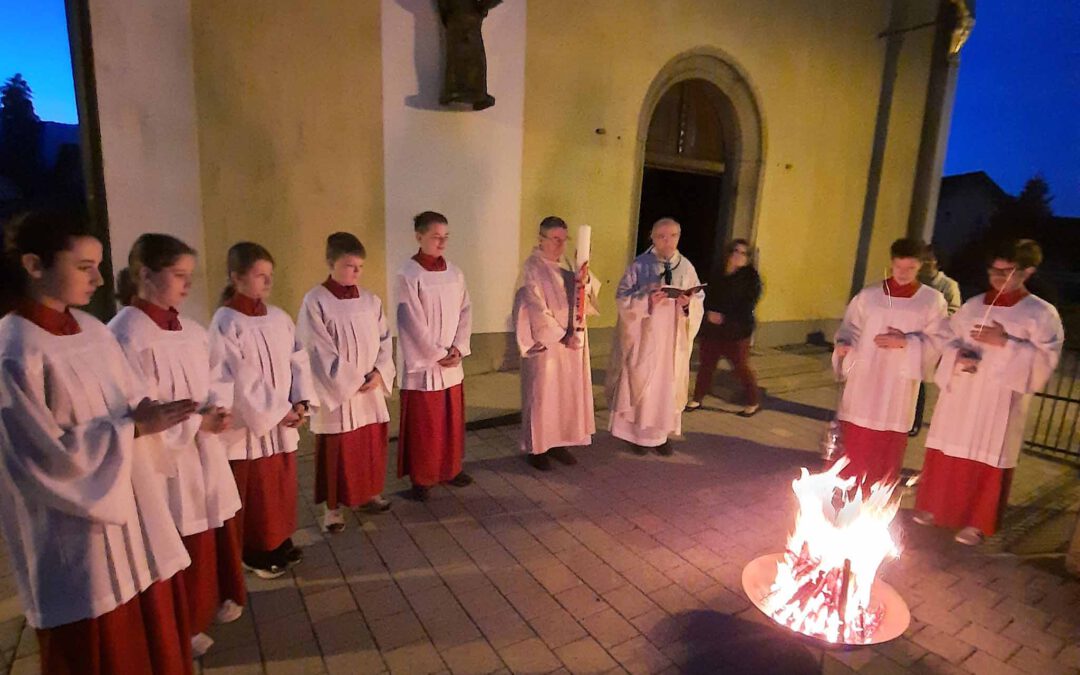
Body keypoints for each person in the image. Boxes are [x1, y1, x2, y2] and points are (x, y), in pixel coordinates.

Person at [0, 211, 197, 674]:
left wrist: (155, 415)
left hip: (132, 503)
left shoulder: (91, 330)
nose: (101, 278)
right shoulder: (15, 351)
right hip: (75, 525)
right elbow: (43, 459)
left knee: (146, 610)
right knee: (100, 633)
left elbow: (130, 397)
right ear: (34, 265)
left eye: (99, 264)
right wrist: (131, 428)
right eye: (85, 266)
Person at [110, 234, 246, 657]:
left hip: (201, 451)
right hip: (164, 463)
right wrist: (194, 423)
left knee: (206, 533)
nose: (188, 286)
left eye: (190, 276)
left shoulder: (191, 330)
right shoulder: (126, 334)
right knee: (177, 539)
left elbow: (216, 376)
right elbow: (137, 403)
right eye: (179, 276)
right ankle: (179, 628)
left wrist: (218, 409)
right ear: (145, 275)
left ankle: (204, 608)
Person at [914, 240, 1064, 545]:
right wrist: (958, 356)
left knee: (988, 455)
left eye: (1007, 271)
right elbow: (949, 339)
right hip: (963, 394)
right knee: (949, 449)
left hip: (999, 400)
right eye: (993, 270)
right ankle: (936, 508)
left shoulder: (1040, 313)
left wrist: (1005, 342)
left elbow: (1046, 359)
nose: (997, 277)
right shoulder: (973, 305)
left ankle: (977, 522)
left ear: (1027, 271)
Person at [209, 242, 315, 579]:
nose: (267, 283)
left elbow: (298, 359)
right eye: (259, 276)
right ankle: (254, 551)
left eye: (270, 276)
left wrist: (300, 401)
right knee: (256, 493)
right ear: (236, 277)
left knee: (280, 486)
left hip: (281, 422)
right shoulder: (226, 322)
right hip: (249, 428)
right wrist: (277, 410)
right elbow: (238, 376)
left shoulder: (279, 317)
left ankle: (279, 540)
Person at [298, 233, 395, 533]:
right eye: (350, 266)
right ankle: (333, 510)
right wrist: (353, 380)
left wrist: (379, 372)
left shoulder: (370, 300)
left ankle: (368, 494)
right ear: (331, 263)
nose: (356, 272)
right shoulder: (316, 301)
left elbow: (384, 340)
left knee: (367, 445)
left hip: (369, 389)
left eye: (360, 267)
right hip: (339, 393)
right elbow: (316, 348)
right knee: (337, 451)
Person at [832, 237, 948, 486]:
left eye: (910, 268)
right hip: (864, 379)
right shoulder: (869, 296)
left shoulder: (931, 301)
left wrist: (906, 343)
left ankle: (877, 496)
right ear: (891, 263)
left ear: (921, 266)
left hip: (898, 386)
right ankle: (847, 491)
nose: (903, 274)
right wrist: (844, 344)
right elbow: (850, 326)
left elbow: (938, 340)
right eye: (898, 267)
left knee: (886, 447)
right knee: (856, 440)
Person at [607, 217, 704, 456]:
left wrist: (686, 305)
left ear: (679, 237)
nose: (667, 241)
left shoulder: (686, 267)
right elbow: (622, 298)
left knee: (665, 386)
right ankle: (637, 436)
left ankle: (660, 436)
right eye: (661, 236)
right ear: (652, 237)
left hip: (672, 340)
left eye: (672, 236)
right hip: (645, 337)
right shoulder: (640, 265)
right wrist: (646, 298)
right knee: (643, 384)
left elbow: (698, 301)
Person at [396, 211, 474, 501]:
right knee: (426, 426)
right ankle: (423, 478)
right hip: (426, 365)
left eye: (445, 238)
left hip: (451, 362)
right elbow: (410, 320)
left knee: (450, 422)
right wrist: (436, 353)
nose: (442, 243)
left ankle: (450, 469)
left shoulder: (455, 273)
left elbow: (466, 309)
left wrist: (458, 347)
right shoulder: (409, 274)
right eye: (435, 237)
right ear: (419, 237)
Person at [513, 216, 599, 471]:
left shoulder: (569, 263)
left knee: (565, 396)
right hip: (547, 344)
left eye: (564, 239)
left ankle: (560, 442)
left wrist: (586, 273)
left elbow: (587, 293)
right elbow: (534, 307)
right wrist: (561, 336)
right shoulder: (532, 268)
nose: (560, 245)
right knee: (542, 396)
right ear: (541, 239)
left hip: (571, 342)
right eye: (555, 239)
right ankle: (537, 448)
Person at [688, 238, 763, 416]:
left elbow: (747, 303)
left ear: (748, 258)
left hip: (736, 331)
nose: (738, 256)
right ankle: (697, 398)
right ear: (729, 253)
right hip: (712, 329)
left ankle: (753, 401)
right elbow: (705, 295)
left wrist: (725, 317)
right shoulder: (718, 273)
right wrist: (708, 313)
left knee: (740, 367)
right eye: (735, 251)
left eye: (743, 253)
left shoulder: (750, 278)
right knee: (706, 365)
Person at [909, 245, 962, 435]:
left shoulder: (948, 285)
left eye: (929, 259)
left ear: (937, 261)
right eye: (922, 259)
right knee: (910, 378)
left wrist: (934, 317)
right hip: (911, 337)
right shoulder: (914, 282)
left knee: (922, 380)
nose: (925, 263)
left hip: (934, 339)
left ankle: (916, 421)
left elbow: (955, 311)